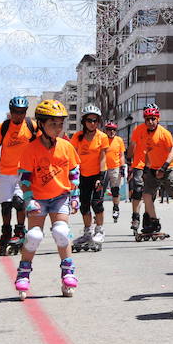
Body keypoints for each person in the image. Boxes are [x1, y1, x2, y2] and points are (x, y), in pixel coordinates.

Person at [12, 99, 80, 300]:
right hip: (38, 198)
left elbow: (74, 172)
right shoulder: (30, 149)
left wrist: (75, 196)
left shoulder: (66, 147)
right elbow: (24, 178)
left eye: (61, 124)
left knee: (61, 232)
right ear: (41, 124)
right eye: (53, 124)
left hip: (60, 197)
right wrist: (28, 199)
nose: (58, 128)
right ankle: (23, 273)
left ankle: (68, 271)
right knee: (33, 235)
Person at [0, 96, 36, 255]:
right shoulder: (3, 127)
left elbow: (43, 142)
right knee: (6, 206)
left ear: (25, 112)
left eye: (21, 112)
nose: (18, 115)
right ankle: (6, 231)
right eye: (15, 111)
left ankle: (20, 231)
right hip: (5, 172)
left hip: (24, 172)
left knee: (19, 202)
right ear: (11, 111)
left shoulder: (31, 126)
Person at [137, 104, 173, 239]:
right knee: (146, 195)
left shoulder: (164, 133)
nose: (150, 122)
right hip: (153, 169)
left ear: (158, 119)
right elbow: (147, 151)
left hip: (168, 168)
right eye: (147, 119)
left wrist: (164, 167)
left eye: (153, 119)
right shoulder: (143, 133)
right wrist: (146, 168)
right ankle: (154, 222)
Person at [70, 105, 109, 251]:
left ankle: (99, 231)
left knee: (96, 203)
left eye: (95, 120)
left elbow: (103, 158)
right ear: (84, 121)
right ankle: (87, 233)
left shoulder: (102, 137)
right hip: (82, 175)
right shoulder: (77, 137)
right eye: (89, 120)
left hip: (98, 174)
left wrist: (100, 176)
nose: (92, 123)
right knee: (84, 205)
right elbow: (72, 156)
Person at [102, 121, 125, 223]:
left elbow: (121, 155)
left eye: (113, 130)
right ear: (106, 130)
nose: (111, 131)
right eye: (109, 129)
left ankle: (116, 208)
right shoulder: (102, 139)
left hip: (115, 168)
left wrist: (122, 167)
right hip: (103, 168)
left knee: (115, 190)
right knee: (100, 191)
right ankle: (99, 211)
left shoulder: (119, 140)